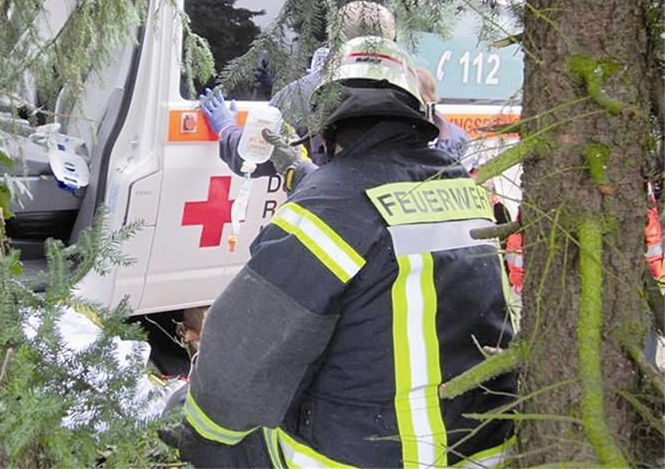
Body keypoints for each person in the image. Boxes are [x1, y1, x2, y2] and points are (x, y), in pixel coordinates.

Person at [164, 36, 517, 468]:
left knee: (216, 430)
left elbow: (234, 368)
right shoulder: (462, 187)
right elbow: (368, 201)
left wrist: (190, 427)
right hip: (483, 451)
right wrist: (291, 164)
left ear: (328, 128)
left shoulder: (326, 210)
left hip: (368, 457)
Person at [200, 0, 397, 176]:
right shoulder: (406, 93)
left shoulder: (305, 92)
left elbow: (255, 158)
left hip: (325, 206)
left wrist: (227, 128)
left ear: (333, 38)